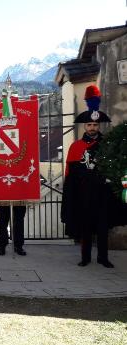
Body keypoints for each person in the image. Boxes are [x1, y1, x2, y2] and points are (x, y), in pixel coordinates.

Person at [61, 85, 119, 268]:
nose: (93, 128)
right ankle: (85, 257)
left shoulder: (107, 145)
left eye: (95, 125)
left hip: (102, 193)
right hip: (84, 193)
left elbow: (113, 169)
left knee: (102, 227)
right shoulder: (76, 147)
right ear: (85, 126)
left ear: (98, 125)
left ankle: (103, 257)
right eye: (89, 125)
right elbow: (70, 174)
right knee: (85, 227)